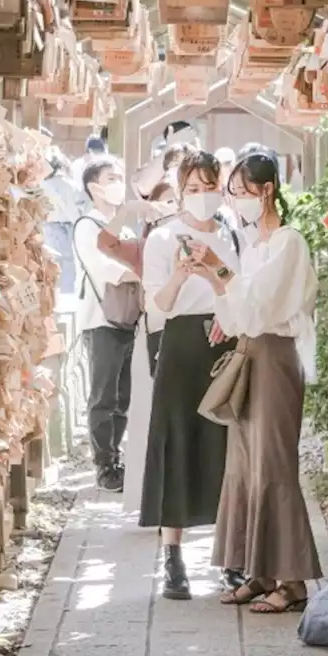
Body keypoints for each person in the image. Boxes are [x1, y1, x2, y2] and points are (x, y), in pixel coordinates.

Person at [185, 147, 322, 614]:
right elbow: (240, 308)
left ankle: (293, 580)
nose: (237, 201)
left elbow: (262, 305)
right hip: (250, 351)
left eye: (243, 192)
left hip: (277, 357)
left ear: (267, 191)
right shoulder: (257, 243)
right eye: (233, 193)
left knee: (274, 464)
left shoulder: (288, 242)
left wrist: (220, 272)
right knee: (244, 463)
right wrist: (219, 276)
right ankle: (260, 571)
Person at [140, 151, 242, 600]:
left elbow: (242, 289)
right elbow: (155, 306)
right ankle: (172, 558)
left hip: (224, 341)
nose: (202, 197)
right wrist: (182, 274)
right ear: (180, 192)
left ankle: (232, 556)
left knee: (227, 444)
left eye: (209, 187)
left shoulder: (233, 234)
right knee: (177, 439)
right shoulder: (163, 238)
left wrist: (224, 298)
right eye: (193, 189)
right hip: (181, 344)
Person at [73, 155, 139, 492]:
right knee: (103, 396)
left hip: (128, 319)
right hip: (102, 320)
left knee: (123, 395)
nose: (118, 184)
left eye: (120, 177)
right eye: (111, 178)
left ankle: (117, 458)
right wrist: (144, 271)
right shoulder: (88, 225)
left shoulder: (123, 227)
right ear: (93, 187)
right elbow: (105, 269)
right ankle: (104, 464)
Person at [42, 151, 91, 300]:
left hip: (49, 227)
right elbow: (78, 208)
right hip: (69, 226)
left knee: (51, 264)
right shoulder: (71, 184)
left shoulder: (44, 184)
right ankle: (67, 299)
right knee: (69, 266)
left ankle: (54, 298)